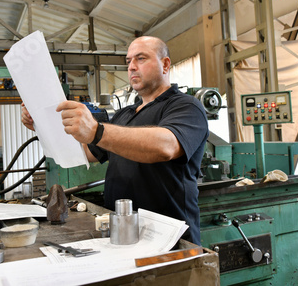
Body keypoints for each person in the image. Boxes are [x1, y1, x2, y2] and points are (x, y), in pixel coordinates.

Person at [22, 36, 208, 245]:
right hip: (122, 234)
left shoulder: (186, 106)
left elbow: (166, 146)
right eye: (128, 61)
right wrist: (42, 125)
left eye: (141, 58)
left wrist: (97, 131)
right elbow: (86, 152)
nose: (132, 67)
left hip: (170, 240)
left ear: (165, 64)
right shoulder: (124, 115)